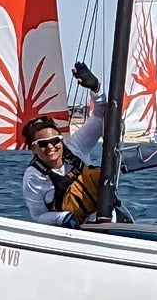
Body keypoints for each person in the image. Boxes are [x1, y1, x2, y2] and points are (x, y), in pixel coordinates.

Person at [20, 62, 111, 226]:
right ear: (33, 148)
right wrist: (62, 218)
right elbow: (38, 216)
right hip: (72, 230)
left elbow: (100, 116)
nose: (50, 147)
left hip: (107, 220)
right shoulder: (33, 177)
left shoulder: (76, 147)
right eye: (43, 144)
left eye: (55, 141)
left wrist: (96, 88)